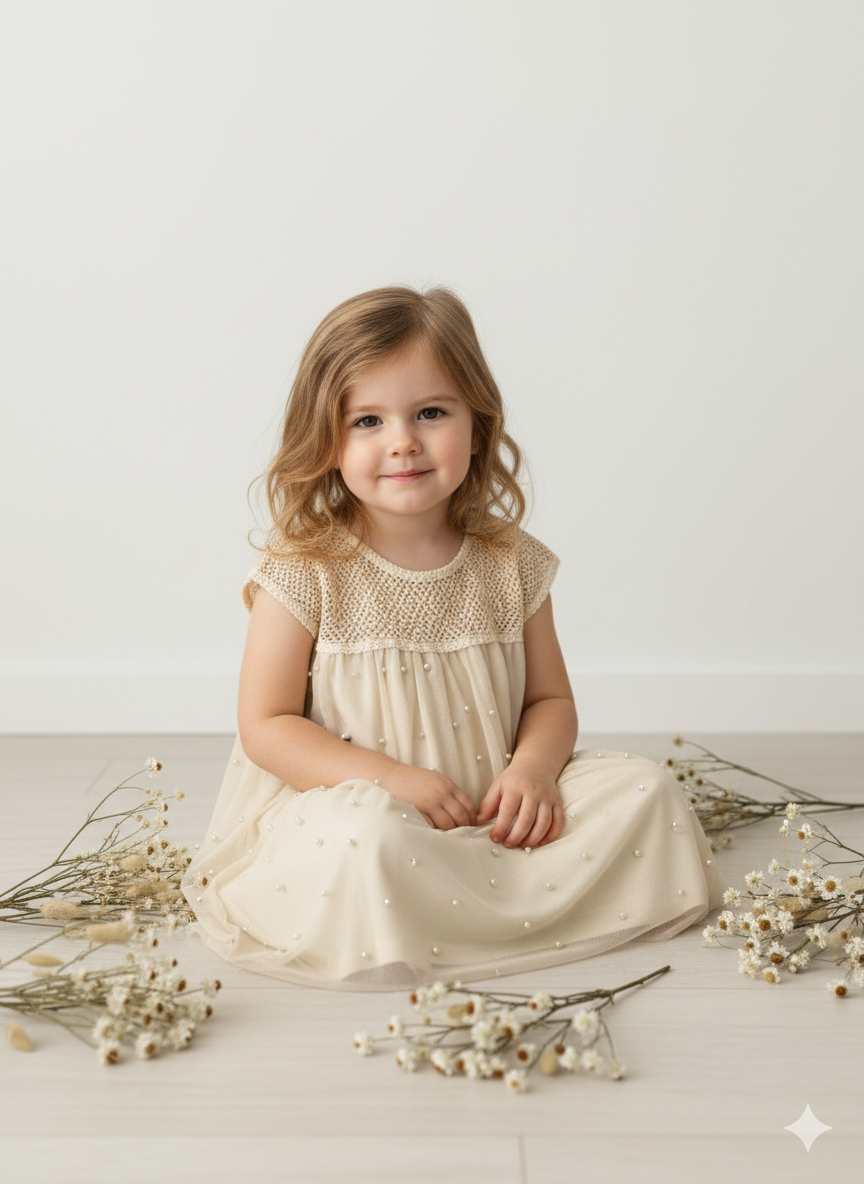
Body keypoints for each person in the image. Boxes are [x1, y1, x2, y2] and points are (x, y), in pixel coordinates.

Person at [180, 284, 725, 991]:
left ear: (477, 421)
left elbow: (551, 701)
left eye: (431, 413)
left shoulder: (510, 561)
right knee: (367, 839)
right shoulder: (305, 570)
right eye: (368, 420)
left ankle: (472, 893)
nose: (402, 441)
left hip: (491, 809)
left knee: (647, 789)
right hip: (360, 805)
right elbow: (267, 726)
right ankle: (452, 899)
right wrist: (389, 780)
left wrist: (532, 772)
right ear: (327, 440)